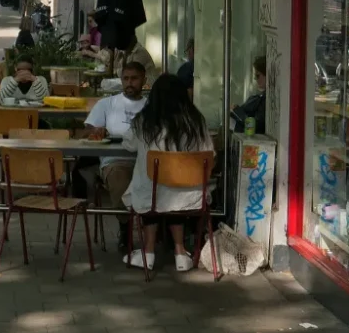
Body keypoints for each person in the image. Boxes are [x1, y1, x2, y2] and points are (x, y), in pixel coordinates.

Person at [121, 73, 215, 271]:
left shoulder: (143, 122)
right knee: (173, 197)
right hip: (190, 196)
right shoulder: (196, 121)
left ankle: (148, 252)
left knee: (154, 192)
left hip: (151, 194)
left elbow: (128, 144)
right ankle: (180, 253)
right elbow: (210, 154)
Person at [84, 61, 149, 252]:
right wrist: (97, 130)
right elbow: (87, 131)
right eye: (126, 78)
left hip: (145, 161)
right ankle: (125, 228)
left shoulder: (151, 105)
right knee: (120, 180)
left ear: (144, 80)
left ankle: (158, 230)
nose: (130, 83)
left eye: (134, 79)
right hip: (114, 161)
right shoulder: (107, 103)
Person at [231, 55, 268, 134]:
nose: (255, 79)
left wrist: (238, 111)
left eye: (258, 76)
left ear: (267, 75)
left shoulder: (265, 101)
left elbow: (255, 126)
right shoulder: (259, 97)